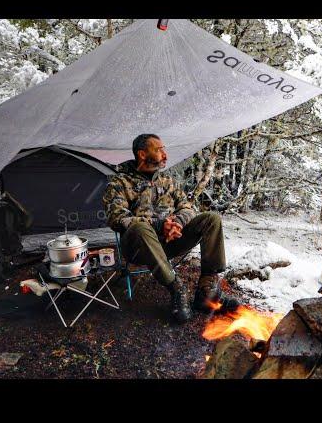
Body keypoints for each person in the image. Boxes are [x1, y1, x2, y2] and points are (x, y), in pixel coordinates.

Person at [102, 133, 242, 324]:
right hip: (138, 247)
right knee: (140, 228)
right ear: (142, 154)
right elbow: (117, 217)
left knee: (211, 219)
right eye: (159, 150)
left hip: (171, 242)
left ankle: (207, 293)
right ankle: (177, 288)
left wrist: (177, 223)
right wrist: (160, 224)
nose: (165, 155)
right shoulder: (119, 183)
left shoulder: (168, 181)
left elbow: (187, 207)